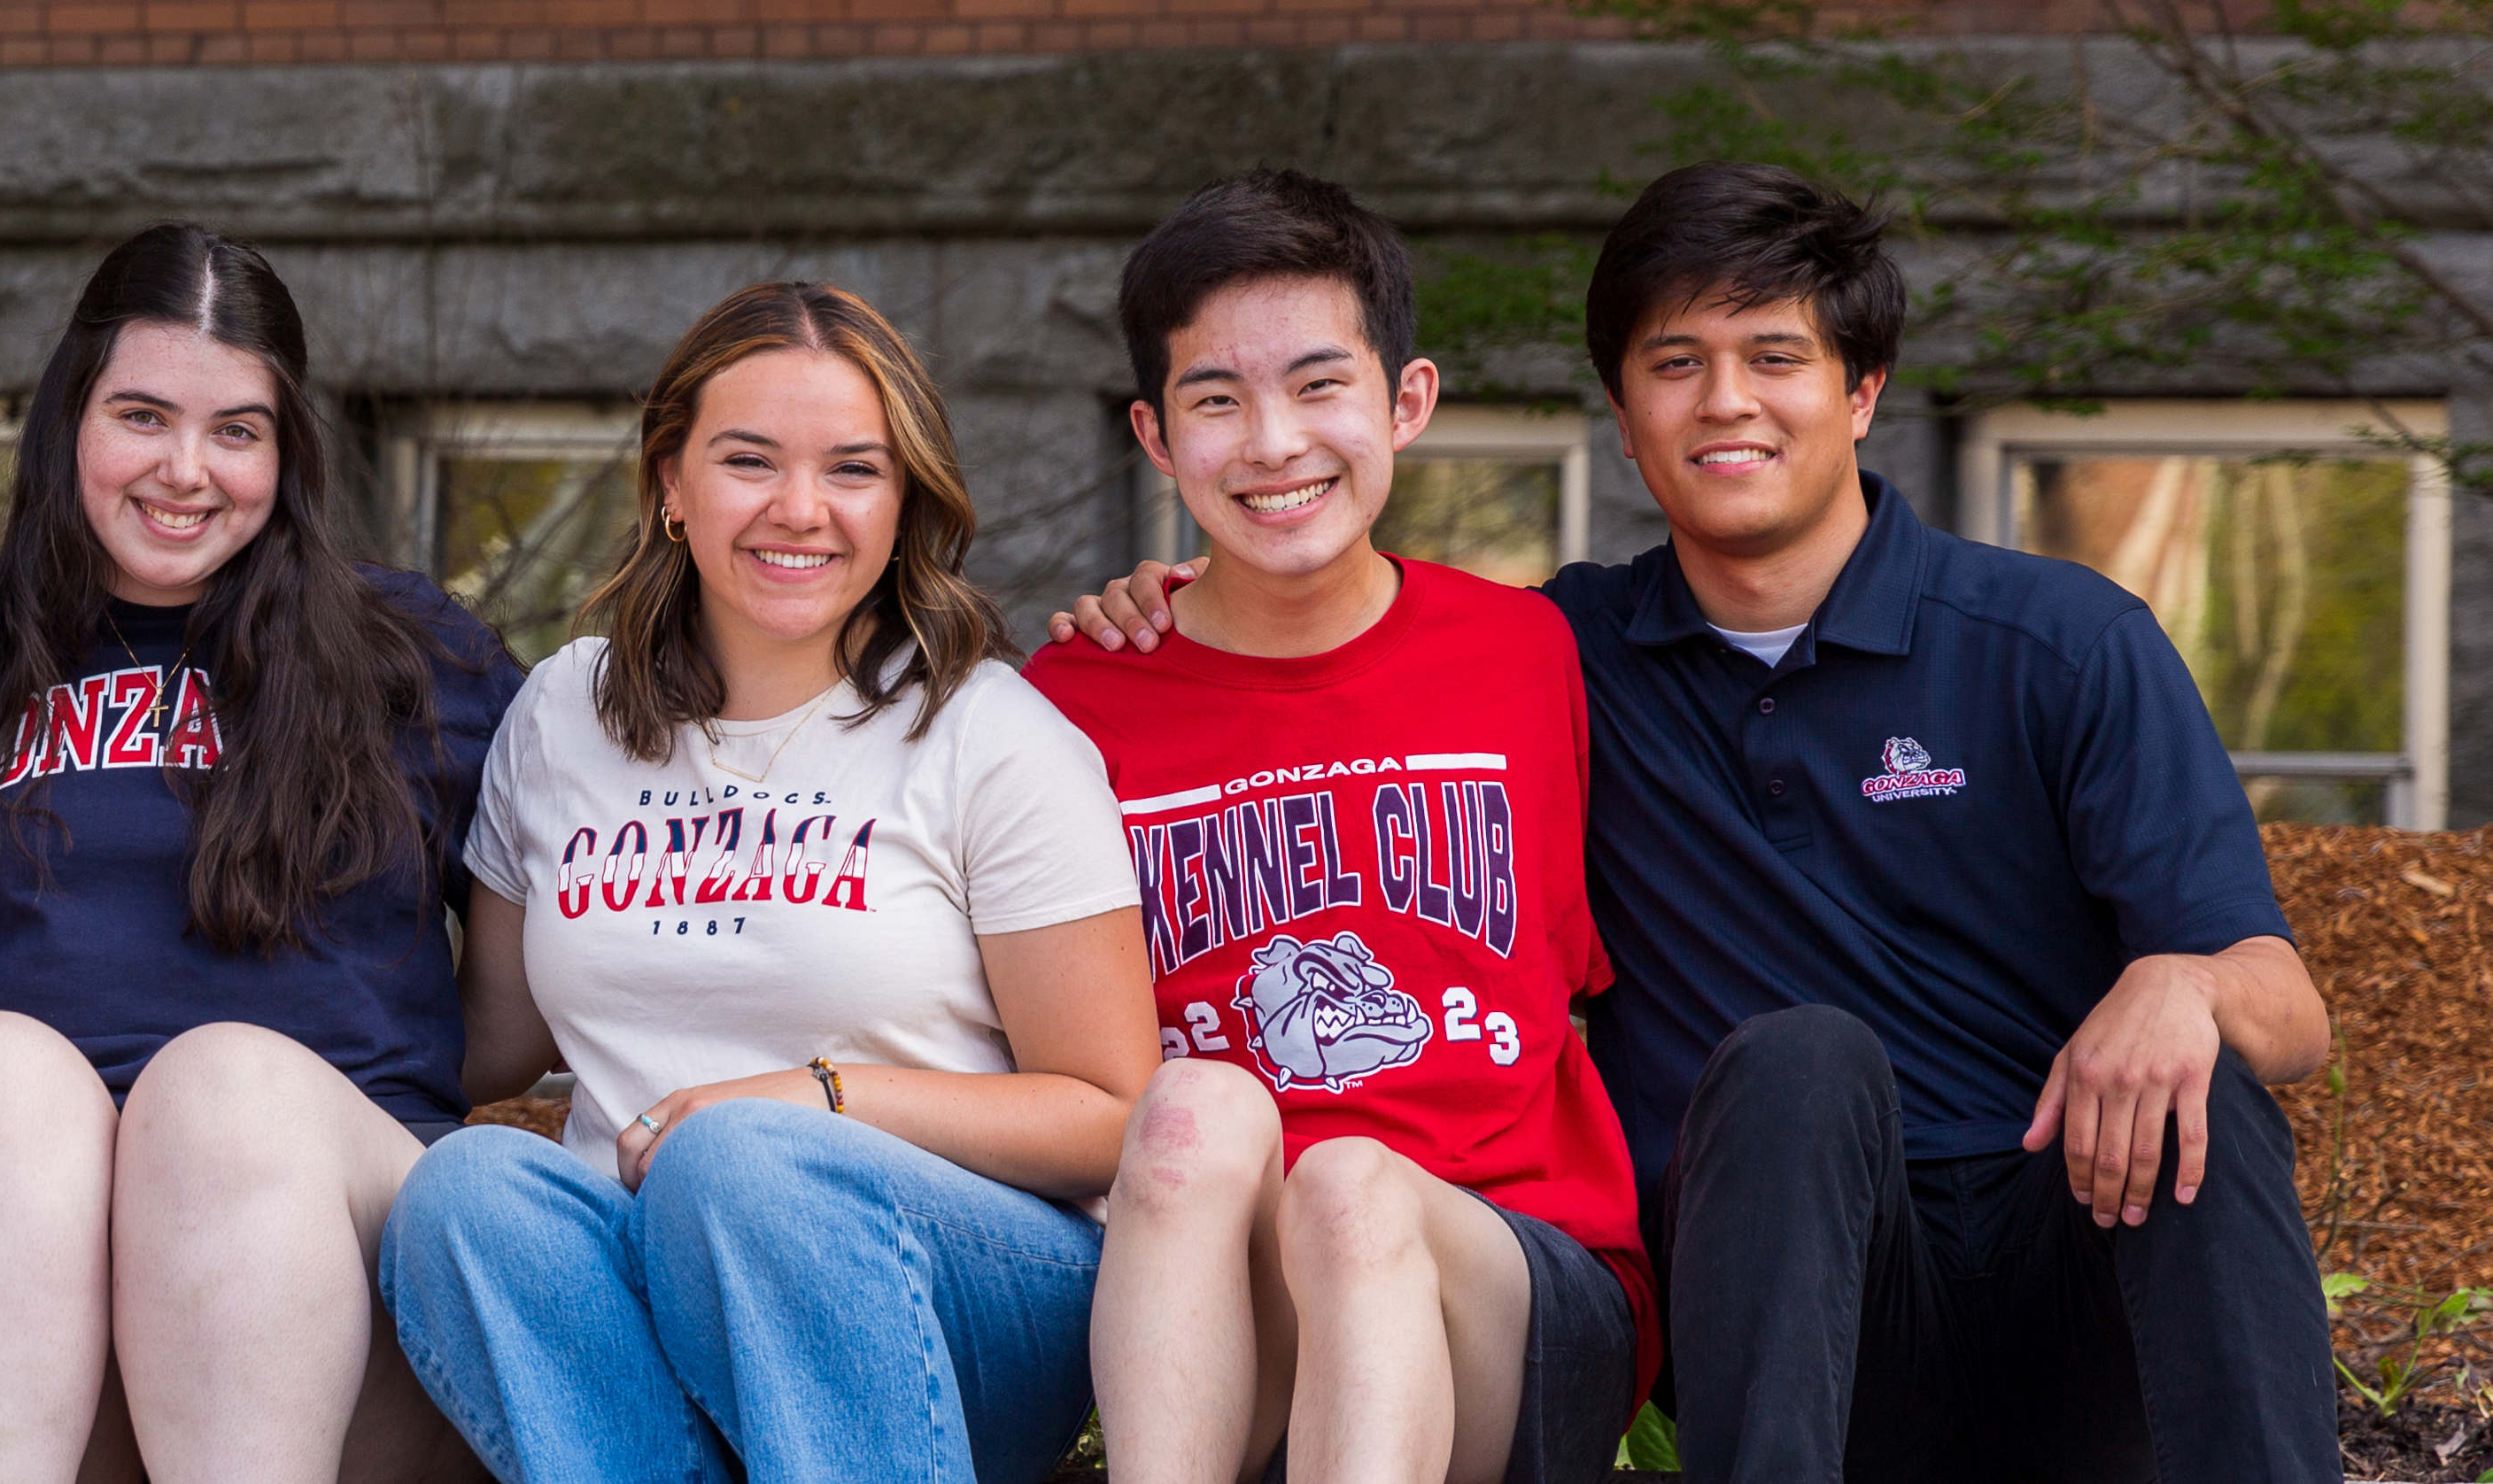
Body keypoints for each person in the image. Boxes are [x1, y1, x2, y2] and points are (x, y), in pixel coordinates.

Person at [1055, 162, 2334, 1484]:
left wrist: (2188, 983)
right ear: (1622, 416)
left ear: (1861, 390)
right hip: (1789, 1297)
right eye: (1676, 364)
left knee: (2211, 1088)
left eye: (1774, 356)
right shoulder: (1563, 655)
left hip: (2071, 1271)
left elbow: (2288, 1011)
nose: (1725, 401)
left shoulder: (2056, 642)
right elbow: (1338, 650)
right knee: (1797, 1063)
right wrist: (1175, 605)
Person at [372, 279, 1161, 1484]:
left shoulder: (988, 732)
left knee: (742, 1162)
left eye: (853, 469)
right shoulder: (566, 712)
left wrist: (817, 1099)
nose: (800, 509)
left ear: (904, 501)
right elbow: (481, 1046)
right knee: (468, 1187)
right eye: (748, 461)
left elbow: (1108, 1116)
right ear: (670, 484)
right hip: (639, 1280)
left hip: (958, 1293)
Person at [0, 220, 529, 1484]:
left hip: (331, 1297)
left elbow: (521, 1008)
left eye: (236, 431)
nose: (185, 470)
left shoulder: (418, 657)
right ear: (69, 421)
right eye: (142, 416)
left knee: (221, 1094)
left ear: (287, 452)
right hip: (7, 1309)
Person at [1022, 169, 1645, 1484]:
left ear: (1405, 401)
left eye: (1318, 385)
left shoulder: (1530, 652)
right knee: (1190, 1107)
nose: (1272, 442)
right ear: (1153, 436)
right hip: (1220, 1295)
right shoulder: (1071, 702)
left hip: (1505, 1270)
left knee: (1351, 1185)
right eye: (1215, 400)